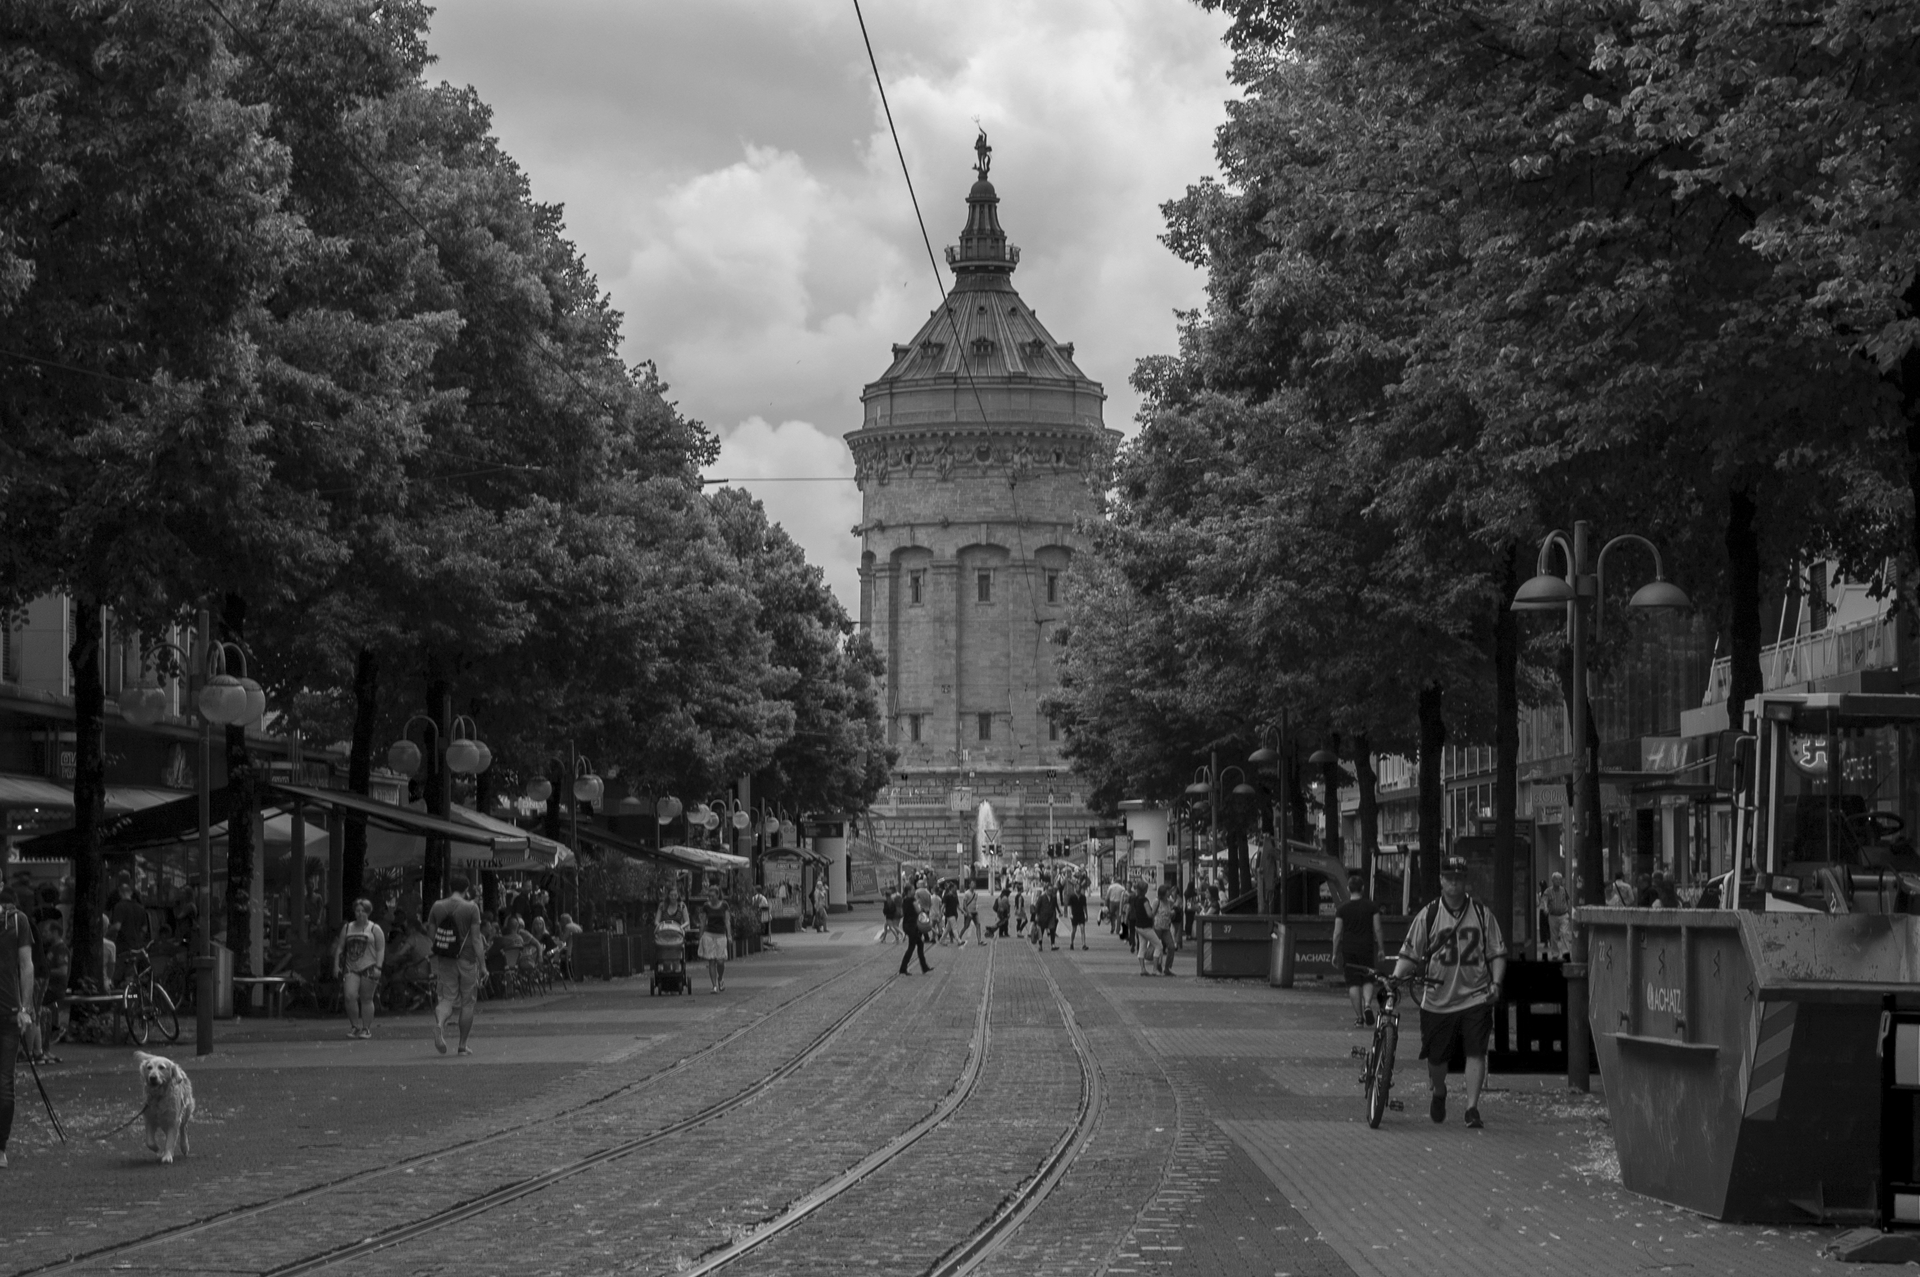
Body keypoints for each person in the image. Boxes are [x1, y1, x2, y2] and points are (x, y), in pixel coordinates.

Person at [1393, 856, 1508, 1130]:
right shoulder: (1429, 915)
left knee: (1476, 1051)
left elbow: (1496, 952)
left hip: (1475, 995)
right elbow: (1410, 953)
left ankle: (1471, 1108)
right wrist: (1395, 978)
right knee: (1437, 1060)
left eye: (1459, 878)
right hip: (1437, 1000)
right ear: (1441, 881)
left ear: (1465, 881)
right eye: (1449, 878)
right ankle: (1439, 1090)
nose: (1454, 883)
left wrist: (1496, 983)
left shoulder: (1481, 914)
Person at [426, 874, 485, 1056]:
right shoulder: (471, 908)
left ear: (450, 887)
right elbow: (476, 939)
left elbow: (431, 935)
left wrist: (446, 947)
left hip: (446, 960)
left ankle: (439, 1024)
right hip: (467, 960)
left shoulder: (437, 906)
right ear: (467, 889)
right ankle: (462, 1045)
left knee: (446, 998)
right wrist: (483, 965)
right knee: (467, 1002)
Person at [1, 892, 34, 1169]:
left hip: (9, 1013)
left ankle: (0, 1146)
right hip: (11, 1010)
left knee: (4, 1082)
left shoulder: (17, 921)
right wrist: (24, 1008)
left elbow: (26, 966)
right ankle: (0, 1149)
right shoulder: (16, 920)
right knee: (4, 1081)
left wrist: (25, 1008)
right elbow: (26, 966)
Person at [1332, 872, 1386, 1026]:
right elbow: (1378, 929)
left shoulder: (1342, 909)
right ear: (1362, 888)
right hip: (1366, 947)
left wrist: (1334, 953)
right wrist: (1381, 948)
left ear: (1348, 889)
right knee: (1368, 978)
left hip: (1349, 949)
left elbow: (1337, 933)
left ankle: (1360, 1018)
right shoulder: (1372, 907)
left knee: (1353, 983)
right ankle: (1367, 1004)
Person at [333, 897, 386, 1040]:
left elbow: (380, 949)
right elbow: (340, 947)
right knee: (349, 996)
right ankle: (354, 1026)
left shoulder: (375, 929)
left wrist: (378, 967)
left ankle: (366, 1028)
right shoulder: (347, 928)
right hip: (351, 966)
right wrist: (336, 965)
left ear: (368, 912)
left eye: (363, 911)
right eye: (358, 911)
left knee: (366, 998)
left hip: (369, 966)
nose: (360, 914)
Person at [108, 878, 149, 985]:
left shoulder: (119, 906)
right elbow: (144, 929)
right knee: (132, 977)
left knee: (117, 978)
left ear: (120, 893)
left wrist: (106, 933)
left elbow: (117, 926)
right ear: (130, 893)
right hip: (138, 948)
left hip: (123, 948)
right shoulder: (141, 908)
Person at [700, 882, 732, 993]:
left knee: (720, 961)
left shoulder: (724, 905)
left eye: (713, 896)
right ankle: (714, 985)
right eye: (709, 896)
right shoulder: (706, 906)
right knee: (711, 961)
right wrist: (701, 936)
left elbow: (727, 921)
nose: (711, 898)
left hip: (721, 935)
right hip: (709, 934)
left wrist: (729, 935)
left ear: (718, 895)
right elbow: (703, 921)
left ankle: (720, 978)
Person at [898, 878, 933, 976]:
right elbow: (918, 911)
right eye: (913, 889)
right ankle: (904, 968)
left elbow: (902, 913)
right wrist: (920, 906)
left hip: (907, 925)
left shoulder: (905, 900)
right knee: (913, 946)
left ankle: (923, 967)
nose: (914, 891)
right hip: (911, 926)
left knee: (918, 945)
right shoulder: (912, 900)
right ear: (909, 891)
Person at [1540, 872, 1571, 959]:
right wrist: (1545, 908)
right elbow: (1544, 901)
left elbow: (1567, 900)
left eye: (1560, 879)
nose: (1558, 881)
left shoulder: (1563, 890)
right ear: (1552, 880)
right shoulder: (1548, 891)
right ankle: (1555, 953)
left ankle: (1566, 953)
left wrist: (1569, 911)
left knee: (1564, 933)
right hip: (1553, 916)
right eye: (1556, 879)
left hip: (1563, 915)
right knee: (1554, 936)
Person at [1152, 885, 1178, 975]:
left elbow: (1171, 910)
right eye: (1168, 891)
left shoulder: (1169, 902)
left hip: (1166, 927)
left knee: (1171, 946)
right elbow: (1153, 913)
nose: (1169, 893)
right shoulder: (1157, 901)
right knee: (1157, 947)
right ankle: (1157, 964)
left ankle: (1167, 967)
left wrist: (1172, 913)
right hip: (1157, 927)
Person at [1033, 881, 1060, 951]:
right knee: (1041, 931)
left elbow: (1055, 905)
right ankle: (1040, 945)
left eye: (1051, 890)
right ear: (1046, 890)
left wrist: (1058, 912)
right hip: (1043, 917)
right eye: (1049, 890)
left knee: (1052, 930)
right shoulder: (1041, 898)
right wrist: (1036, 916)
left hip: (1051, 916)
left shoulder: (1053, 897)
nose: (1050, 892)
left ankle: (1053, 945)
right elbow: (1037, 907)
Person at [1066, 878, 1089, 950]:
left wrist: (1086, 915)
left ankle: (1083, 944)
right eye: (1077, 887)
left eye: (1079, 887)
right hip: (1074, 914)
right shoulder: (1072, 896)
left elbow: (1084, 906)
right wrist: (1070, 914)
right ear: (1075, 888)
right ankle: (1071, 943)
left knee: (1082, 929)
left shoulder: (1083, 897)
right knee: (1074, 930)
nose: (1078, 889)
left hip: (1081, 914)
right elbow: (1069, 906)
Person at [958, 881, 983, 945]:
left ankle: (979, 941)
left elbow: (975, 902)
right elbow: (964, 904)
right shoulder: (967, 893)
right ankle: (959, 937)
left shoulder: (976, 894)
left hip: (975, 912)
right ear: (969, 885)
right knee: (966, 926)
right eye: (972, 884)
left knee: (978, 925)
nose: (973, 885)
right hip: (969, 912)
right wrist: (967, 912)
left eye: (974, 884)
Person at [941, 880, 961, 945]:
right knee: (954, 928)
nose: (956, 889)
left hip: (953, 913)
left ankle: (942, 939)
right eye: (955, 888)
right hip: (950, 914)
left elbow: (957, 905)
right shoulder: (947, 896)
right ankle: (958, 940)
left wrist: (963, 911)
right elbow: (944, 905)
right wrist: (941, 912)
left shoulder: (954, 896)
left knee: (947, 929)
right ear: (951, 888)